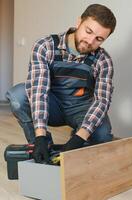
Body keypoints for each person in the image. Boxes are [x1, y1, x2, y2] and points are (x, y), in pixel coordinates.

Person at [5, 4, 116, 163]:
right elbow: (38, 91)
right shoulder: (45, 46)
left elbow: (102, 101)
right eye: (88, 31)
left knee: (103, 135)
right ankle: (42, 146)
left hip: (80, 108)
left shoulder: (103, 60)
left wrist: (79, 138)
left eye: (99, 39)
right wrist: (40, 137)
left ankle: (77, 144)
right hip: (52, 105)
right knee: (18, 95)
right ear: (78, 22)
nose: (90, 41)